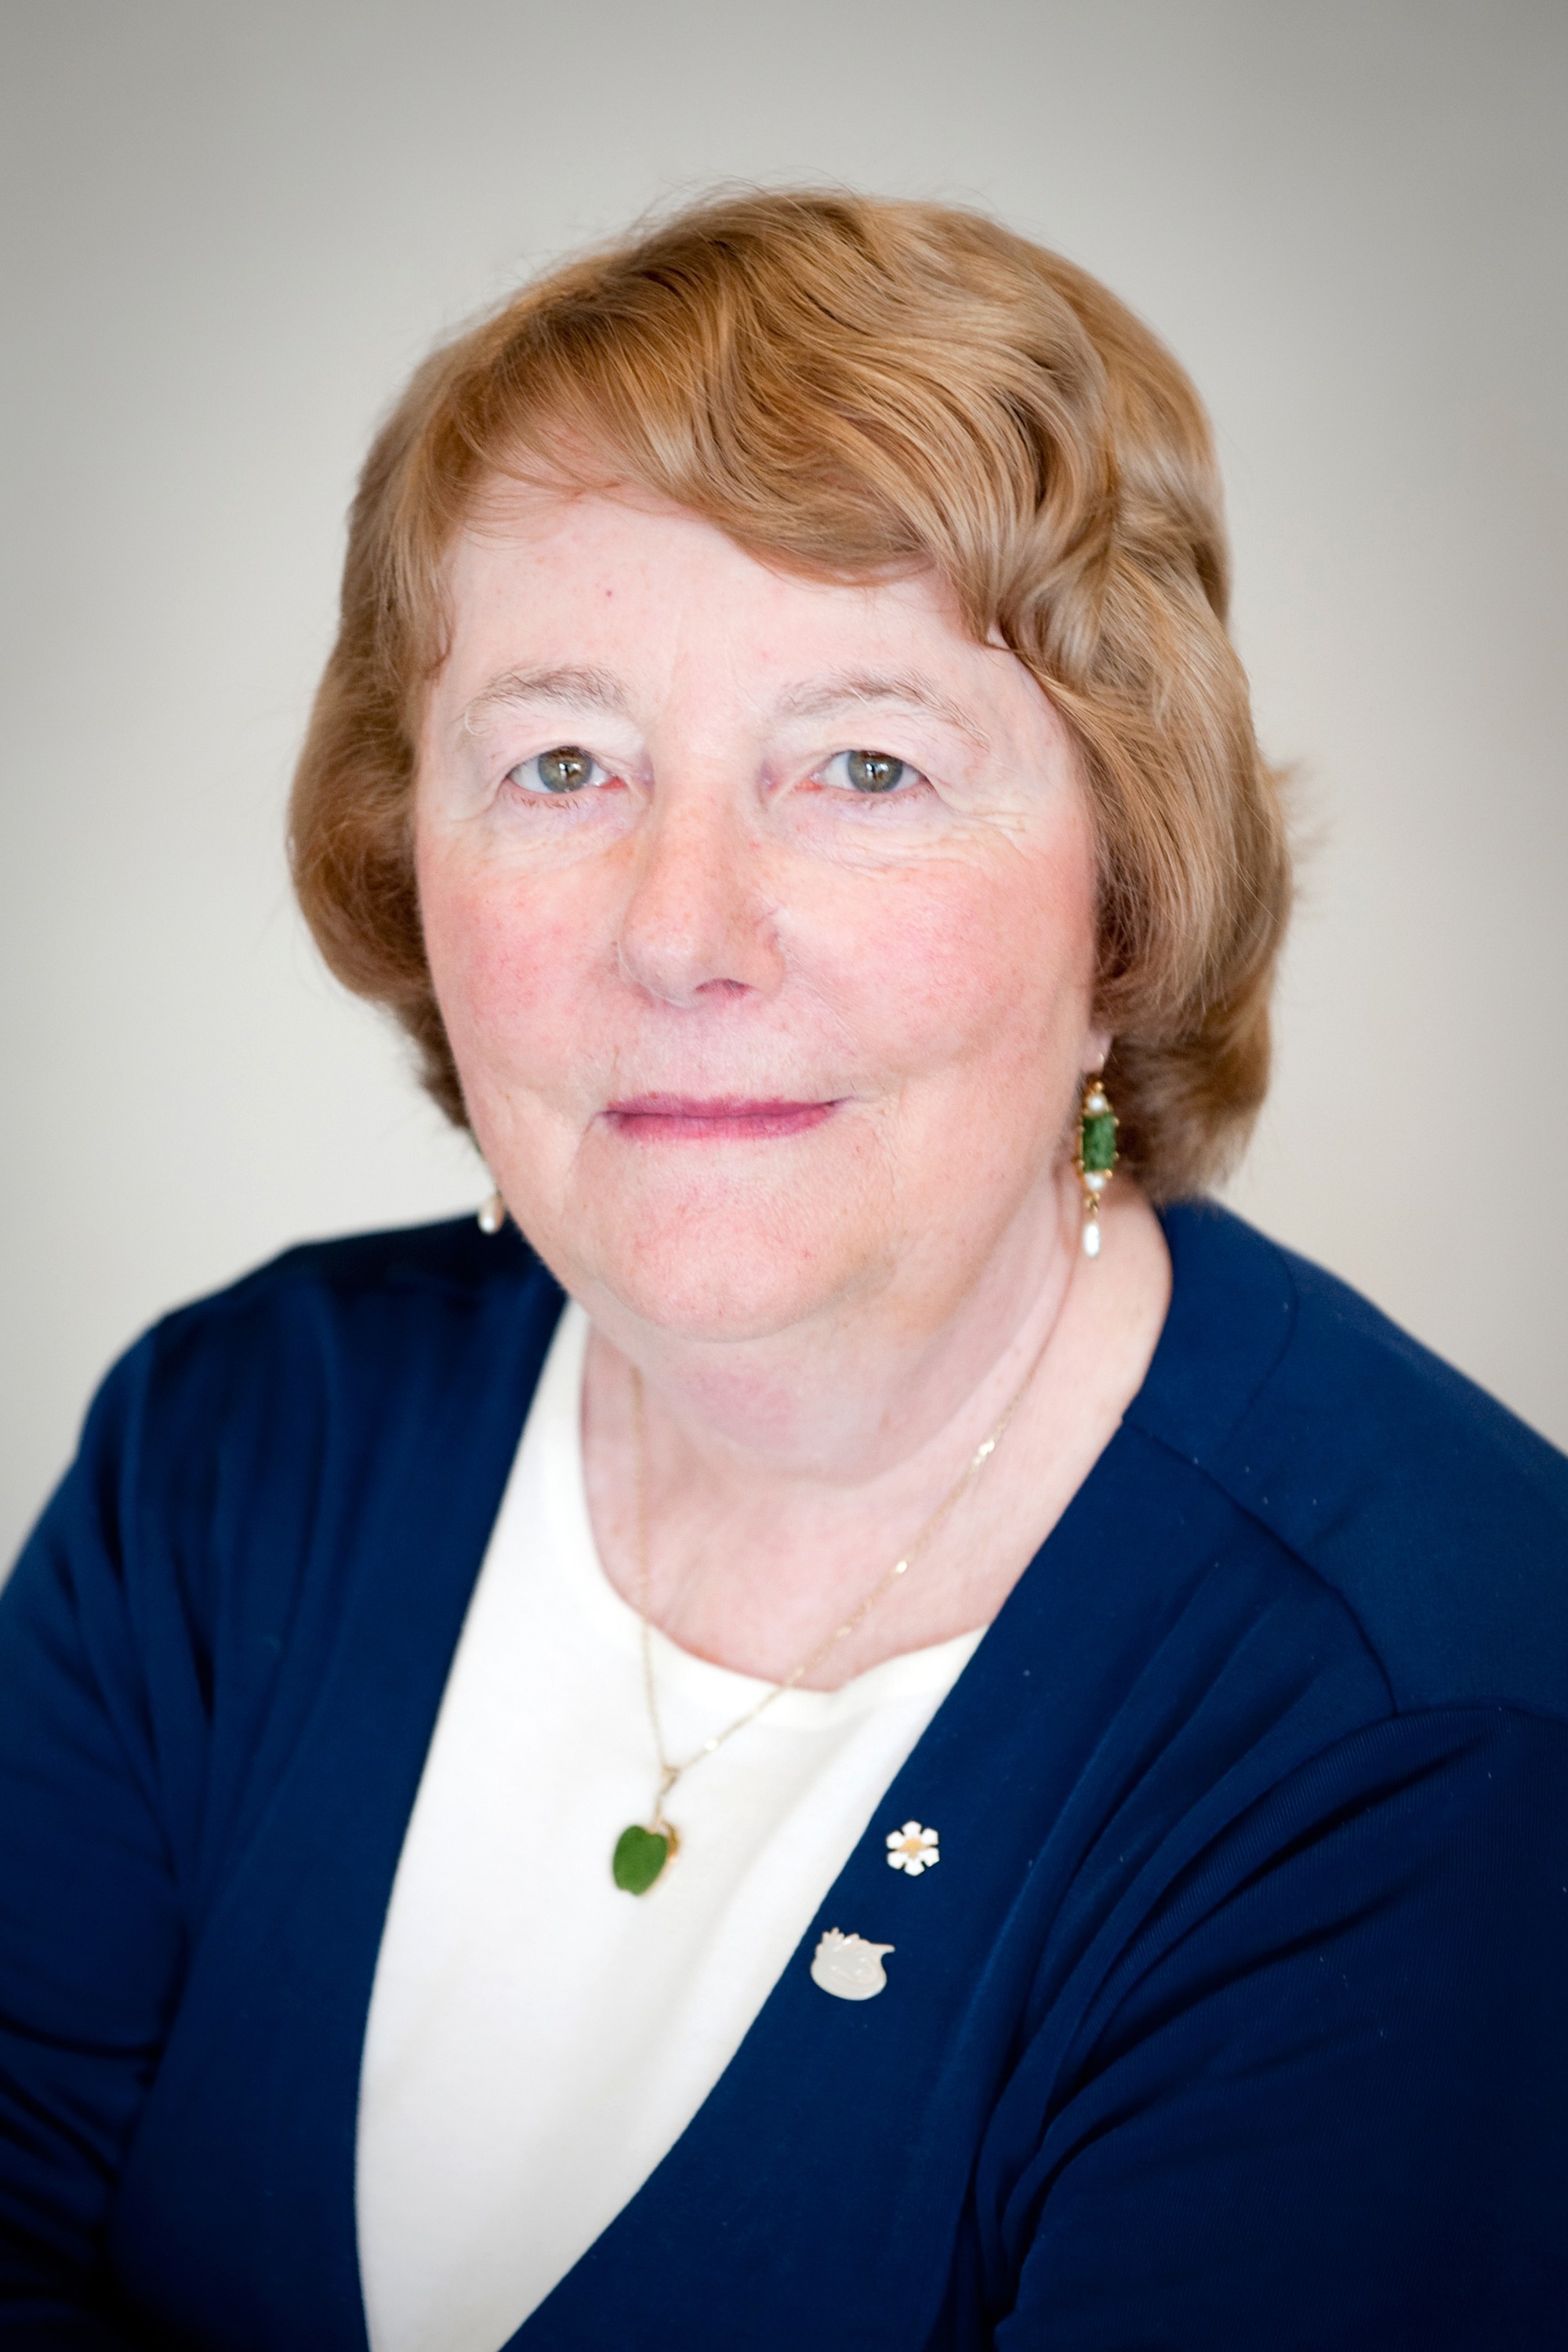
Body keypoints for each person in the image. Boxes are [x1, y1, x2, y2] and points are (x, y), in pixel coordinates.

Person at [2, 188, 1566, 2352]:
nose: (681, 930)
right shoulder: (240, 1445)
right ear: (410, 863)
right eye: (563, 763)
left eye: (863, 767)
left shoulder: (1428, 1733)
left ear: (1126, 901)